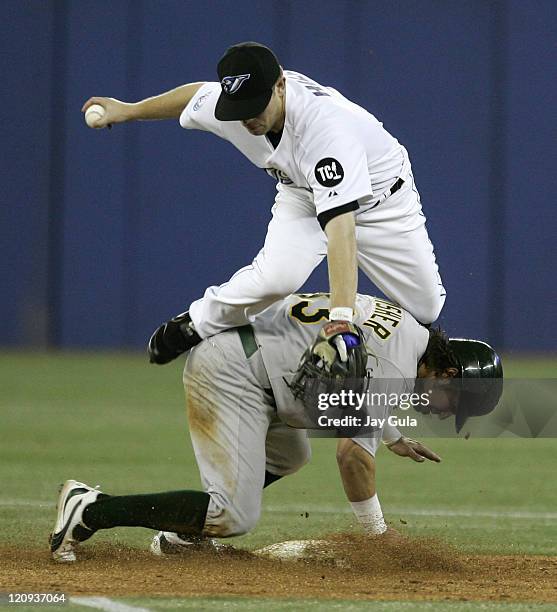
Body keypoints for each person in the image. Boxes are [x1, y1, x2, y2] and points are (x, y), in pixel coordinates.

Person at [50, 293, 502, 562]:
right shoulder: (398, 368)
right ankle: (91, 509)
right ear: (446, 374)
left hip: (256, 360)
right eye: (456, 404)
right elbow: (351, 457)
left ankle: (184, 537)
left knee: (292, 454)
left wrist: (393, 436)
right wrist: (378, 536)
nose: (446, 414)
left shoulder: (405, 329)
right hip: (235, 372)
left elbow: (360, 385)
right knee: (233, 516)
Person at [82, 41, 446, 363]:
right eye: (239, 107)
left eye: (256, 105)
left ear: (281, 85)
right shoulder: (236, 107)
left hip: (384, 203)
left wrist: (341, 318)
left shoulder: (325, 131)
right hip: (302, 194)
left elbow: (341, 230)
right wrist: (127, 110)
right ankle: (196, 322)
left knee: (426, 306)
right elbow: (195, 96)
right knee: (276, 277)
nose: (248, 118)